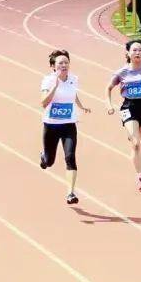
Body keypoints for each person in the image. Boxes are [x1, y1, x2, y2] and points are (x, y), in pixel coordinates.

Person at [106, 39, 141, 192]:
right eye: (134, 50)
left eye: (140, 50)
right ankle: (140, 177)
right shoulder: (121, 72)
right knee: (135, 144)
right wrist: (109, 105)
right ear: (128, 53)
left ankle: (134, 136)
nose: (137, 53)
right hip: (129, 106)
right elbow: (108, 88)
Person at [40, 49, 90, 205]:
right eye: (60, 63)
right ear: (53, 66)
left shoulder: (74, 79)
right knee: (49, 162)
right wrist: (54, 87)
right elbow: (43, 103)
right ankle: (44, 157)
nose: (64, 65)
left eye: (66, 62)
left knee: (70, 157)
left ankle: (70, 193)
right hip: (51, 125)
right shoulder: (48, 81)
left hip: (68, 124)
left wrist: (81, 107)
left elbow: (73, 94)